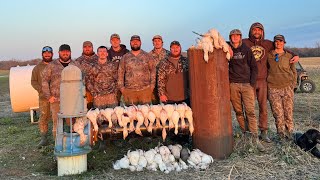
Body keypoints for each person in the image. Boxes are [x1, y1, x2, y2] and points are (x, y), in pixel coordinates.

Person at [242, 22, 299, 143]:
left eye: (259, 30)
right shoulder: (245, 42)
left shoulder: (267, 44)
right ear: (251, 31)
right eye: (254, 30)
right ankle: (250, 133)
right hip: (249, 80)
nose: (257, 32)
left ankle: (264, 132)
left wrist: (295, 54)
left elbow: (282, 48)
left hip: (263, 81)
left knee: (263, 107)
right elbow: (233, 45)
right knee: (249, 108)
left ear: (262, 32)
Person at [228, 29, 265, 152]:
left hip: (246, 85)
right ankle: (246, 134)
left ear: (240, 37)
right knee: (238, 111)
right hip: (233, 85)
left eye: (237, 36)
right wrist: (227, 47)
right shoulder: (227, 48)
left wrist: (252, 83)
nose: (235, 38)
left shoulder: (246, 50)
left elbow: (254, 67)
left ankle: (255, 138)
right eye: (233, 36)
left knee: (250, 112)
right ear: (230, 37)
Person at [41, 44, 83, 139]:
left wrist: (79, 96)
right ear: (59, 53)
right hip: (56, 100)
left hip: (72, 100)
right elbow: (44, 81)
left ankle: (73, 142)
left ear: (70, 53)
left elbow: (82, 79)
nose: (65, 53)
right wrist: (49, 97)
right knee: (57, 123)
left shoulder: (76, 64)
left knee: (72, 123)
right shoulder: (52, 65)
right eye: (63, 51)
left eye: (67, 51)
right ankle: (58, 144)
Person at [267, 34, 297, 141]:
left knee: (288, 113)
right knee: (278, 114)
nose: (278, 43)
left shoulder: (289, 56)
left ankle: (290, 135)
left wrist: (293, 85)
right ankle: (281, 136)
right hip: (273, 88)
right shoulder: (269, 55)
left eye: (280, 41)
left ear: (284, 43)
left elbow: (293, 71)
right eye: (276, 41)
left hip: (287, 88)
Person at [118, 35, 156, 105]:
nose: (135, 43)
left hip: (145, 91)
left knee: (145, 114)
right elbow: (120, 73)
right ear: (130, 43)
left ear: (140, 43)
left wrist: (152, 86)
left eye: (137, 41)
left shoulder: (147, 56)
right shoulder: (125, 57)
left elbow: (153, 71)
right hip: (130, 91)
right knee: (131, 114)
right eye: (133, 41)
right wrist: (122, 88)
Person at [31, 46, 54, 147]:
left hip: (56, 98)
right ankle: (44, 138)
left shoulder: (56, 65)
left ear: (52, 54)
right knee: (44, 117)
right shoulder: (37, 68)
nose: (47, 54)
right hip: (43, 98)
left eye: (49, 53)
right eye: (45, 53)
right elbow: (33, 82)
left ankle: (57, 136)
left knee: (57, 117)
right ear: (42, 54)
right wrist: (42, 90)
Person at [75, 41, 98, 110]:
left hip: (98, 91)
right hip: (83, 92)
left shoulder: (98, 59)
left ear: (92, 48)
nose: (87, 48)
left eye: (89, 47)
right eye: (85, 47)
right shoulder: (78, 61)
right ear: (82, 48)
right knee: (85, 112)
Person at [107, 33, 129, 104]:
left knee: (128, 103)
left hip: (126, 82)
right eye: (113, 40)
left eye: (117, 40)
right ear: (110, 42)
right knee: (115, 104)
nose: (115, 41)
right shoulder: (107, 53)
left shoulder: (126, 52)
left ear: (120, 41)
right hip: (113, 83)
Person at [149, 35, 170, 104]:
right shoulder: (148, 55)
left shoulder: (168, 54)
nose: (157, 42)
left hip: (165, 83)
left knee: (167, 104)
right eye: (155, 41)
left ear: (162, 42)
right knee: (155, 106)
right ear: (153, 43)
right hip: (153, 83)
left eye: (159, 41)